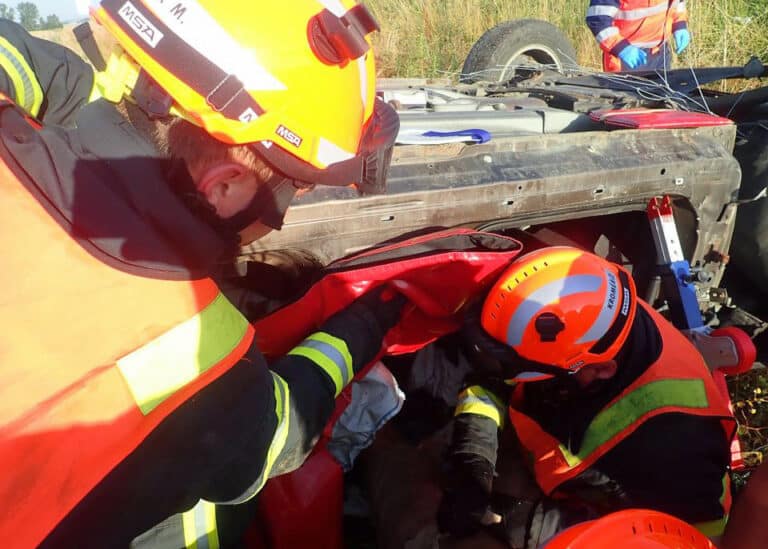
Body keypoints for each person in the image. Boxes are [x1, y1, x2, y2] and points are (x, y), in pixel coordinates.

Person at [0, 1, 402, 547]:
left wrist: (100, 110)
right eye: (294, 191)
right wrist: (361, 329)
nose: (279, 224)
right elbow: (280, 433)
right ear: (226, 187)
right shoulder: (210, 368)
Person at [437, 246, 735, 547]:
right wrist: (473, 460)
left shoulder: (676, 451)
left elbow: (686, 538)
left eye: (528, 370)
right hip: (559, 468)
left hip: (629, 524)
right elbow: (494, 381)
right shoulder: (589, 321)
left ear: (602, 369)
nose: (517, 376)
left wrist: (523, 520)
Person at [586, 0, 691, 72]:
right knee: (627, 102)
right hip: (626, 59)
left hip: (660, 54)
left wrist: (679, 25)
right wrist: (621, 48)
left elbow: (677, 4)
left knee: (661, 100)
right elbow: (597, 19)